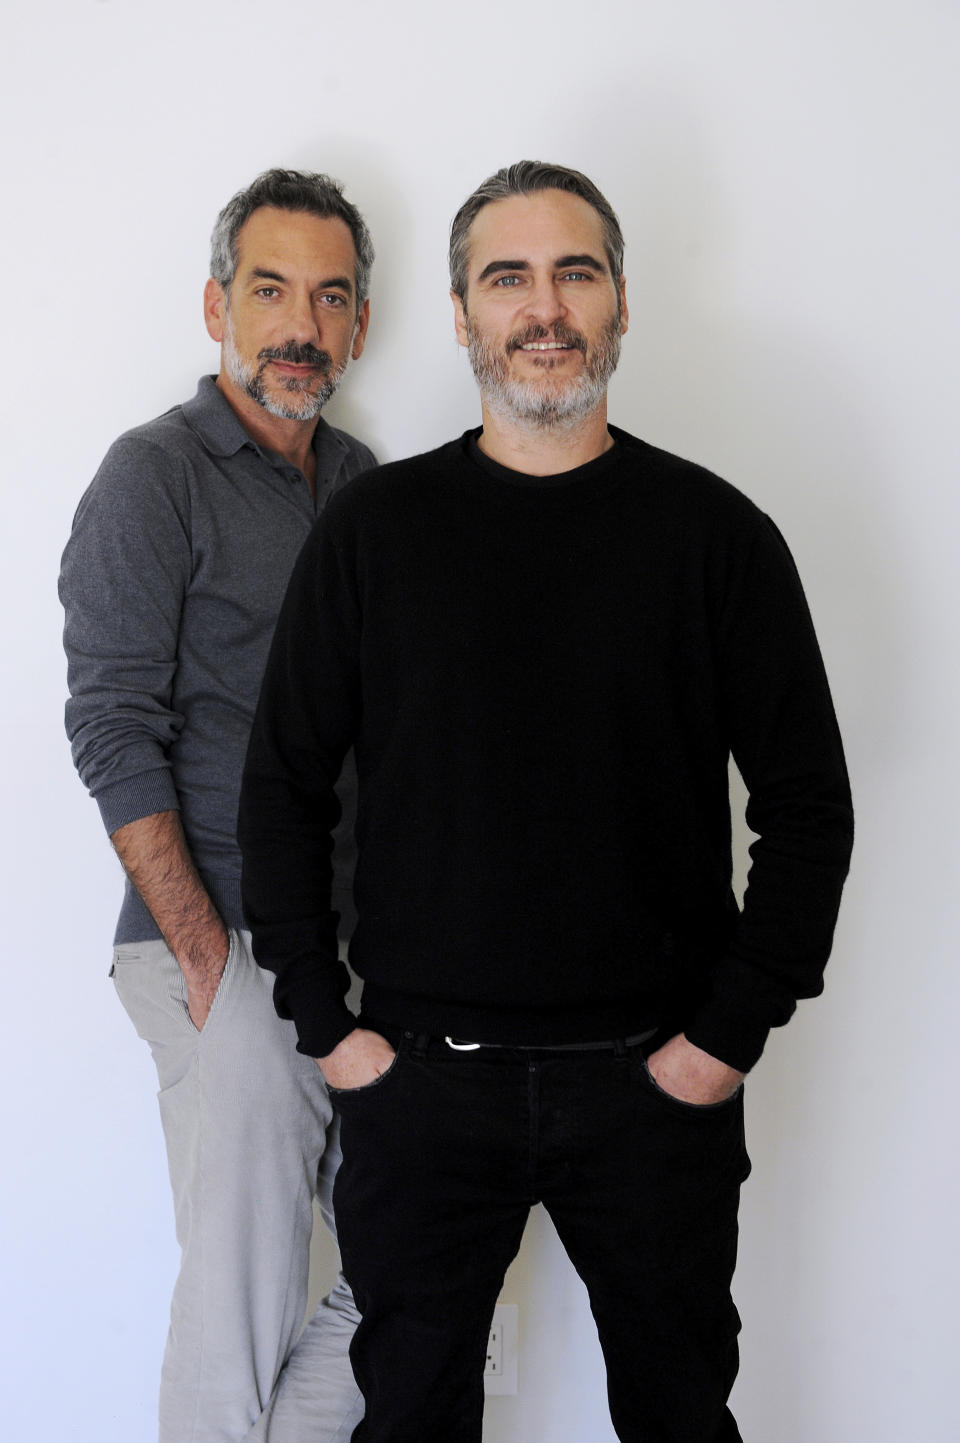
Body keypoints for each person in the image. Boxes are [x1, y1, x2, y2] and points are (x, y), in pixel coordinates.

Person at [238, 161, 854, 1443]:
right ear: (462, 315)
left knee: (682, 1418)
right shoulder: (375, 535)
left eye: (576, 272)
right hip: (420, 1085)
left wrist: (724, 1038)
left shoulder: (716, 537)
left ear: (621, 304)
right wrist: (326, 1026)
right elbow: (283, 786)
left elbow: (807, 804)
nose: (545, 307)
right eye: (506, 277)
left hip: (655, 1084)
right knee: (408, 1419)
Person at [60, 168, 376, 1443]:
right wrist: (208, 965)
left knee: (416, 1266)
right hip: (224, 941)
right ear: (216, 307)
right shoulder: (155, 476)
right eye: (270, 289)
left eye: (331, 296)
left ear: (358, 324)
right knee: (236, 1315)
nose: (300, 322)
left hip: (355, 958)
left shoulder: (367, 486)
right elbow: (110, 726)